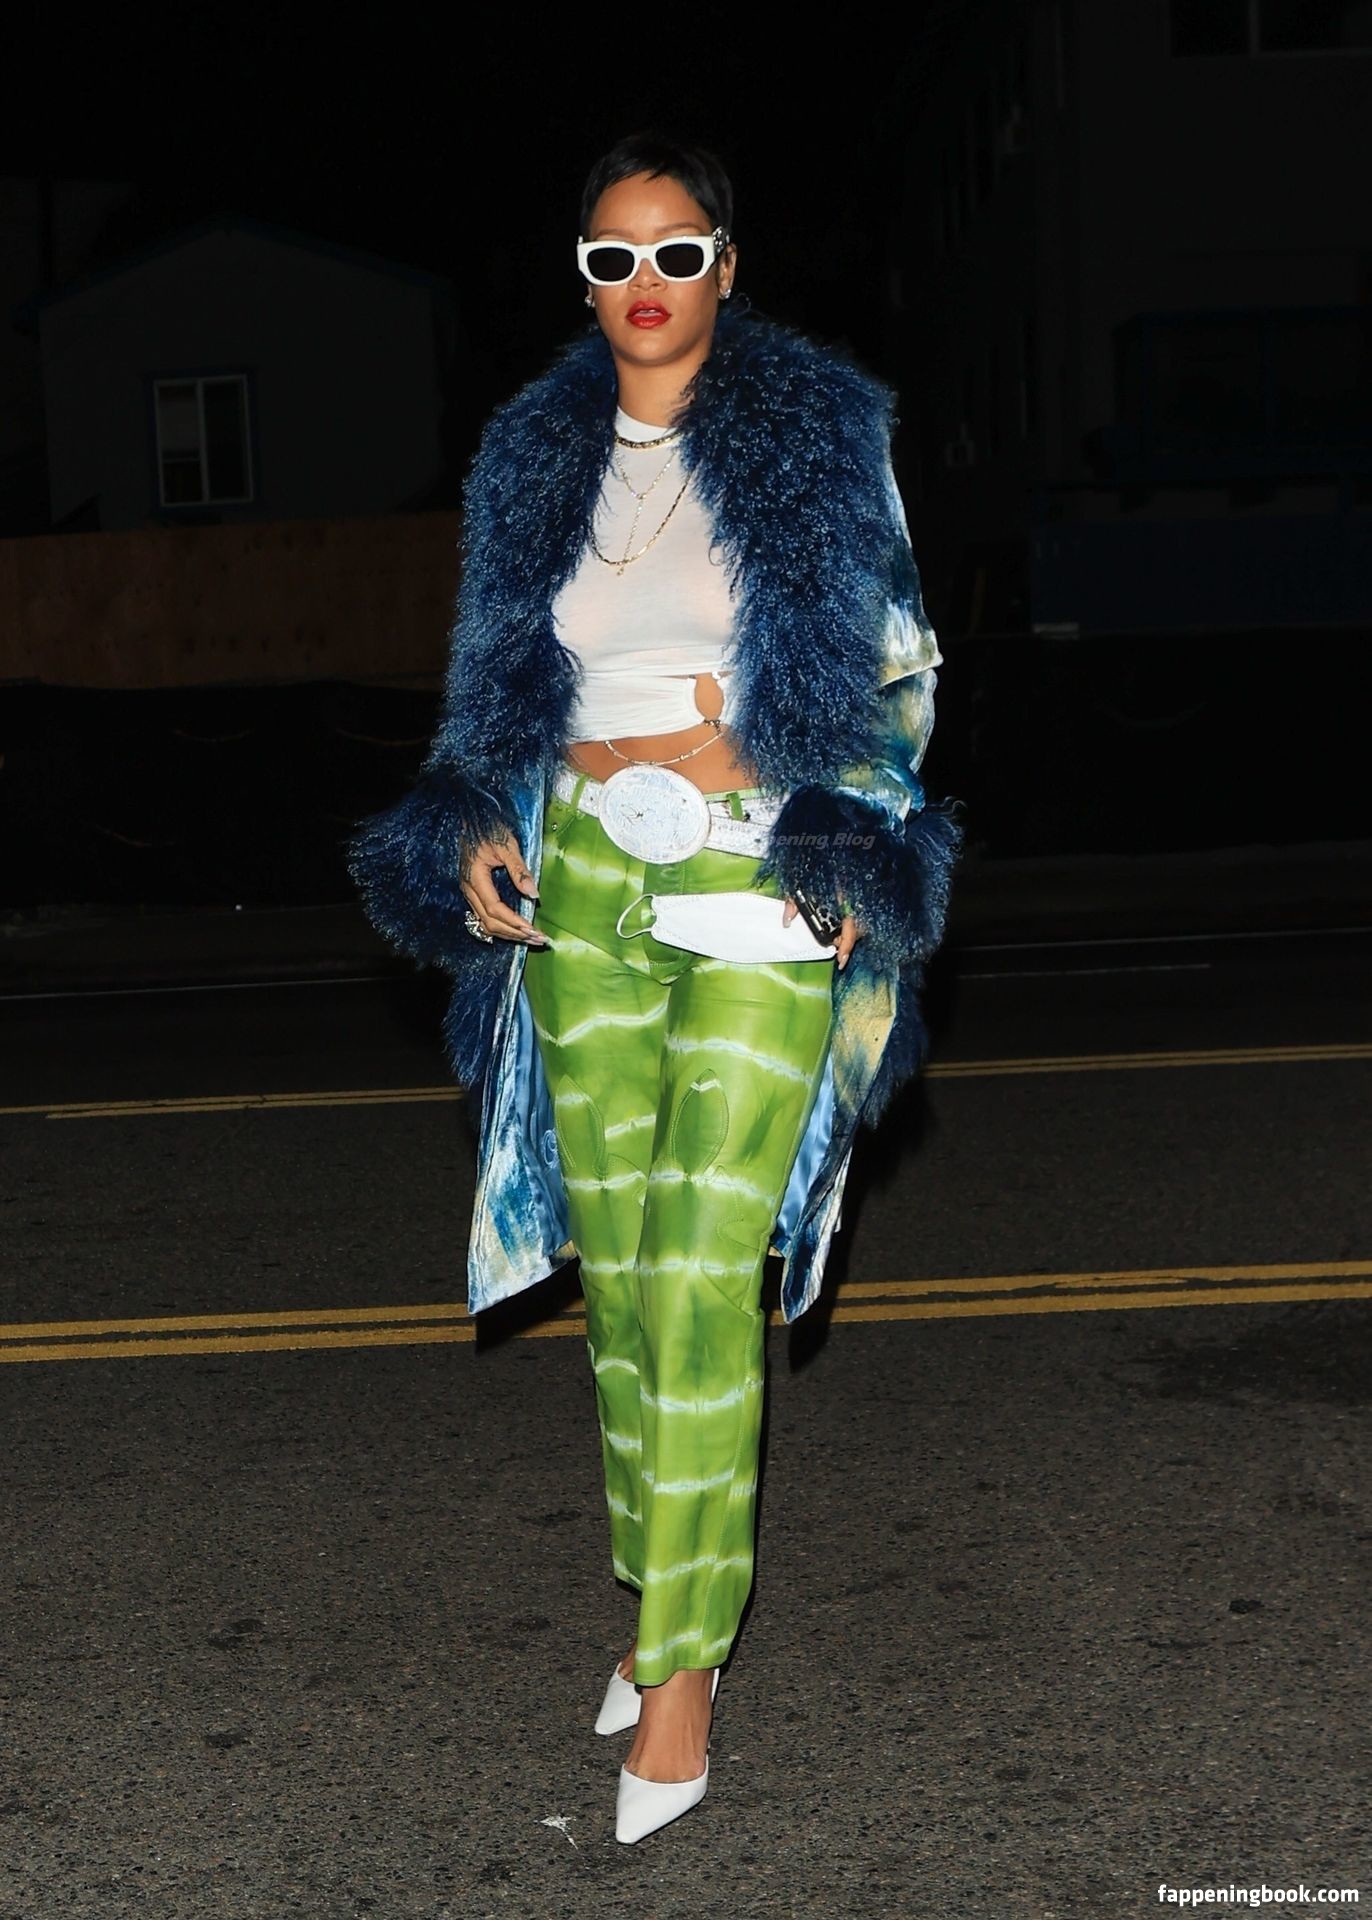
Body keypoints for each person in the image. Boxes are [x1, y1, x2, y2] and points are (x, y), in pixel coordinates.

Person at [347, 130, 963, 1844]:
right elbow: (491, 692)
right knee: (620, 1273)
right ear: (583, 278)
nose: (644, 285)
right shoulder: (531, 455)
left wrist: (840, 820)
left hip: (756, 867)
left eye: (676, 252)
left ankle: (684, 1673)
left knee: (703, 1259)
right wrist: (475, 818)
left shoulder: (822, 433)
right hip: (582, 880)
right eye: (611, 258)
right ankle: (652, 1589)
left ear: (726, 267)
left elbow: (900, 672)